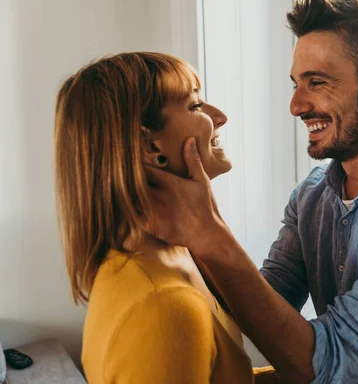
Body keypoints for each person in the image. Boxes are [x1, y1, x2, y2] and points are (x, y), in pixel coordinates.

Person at [145, 0, 358, 384]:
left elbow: (326, 363)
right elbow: (259, 303)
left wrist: (209, 232)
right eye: (296, 83)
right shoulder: (312, 194)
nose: (296, 105)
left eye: (317, 82)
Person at [54, 52, 279, 383]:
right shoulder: (164, 307)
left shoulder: (170, 253)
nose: (221, 116)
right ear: (148, 147)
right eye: (195, 106)